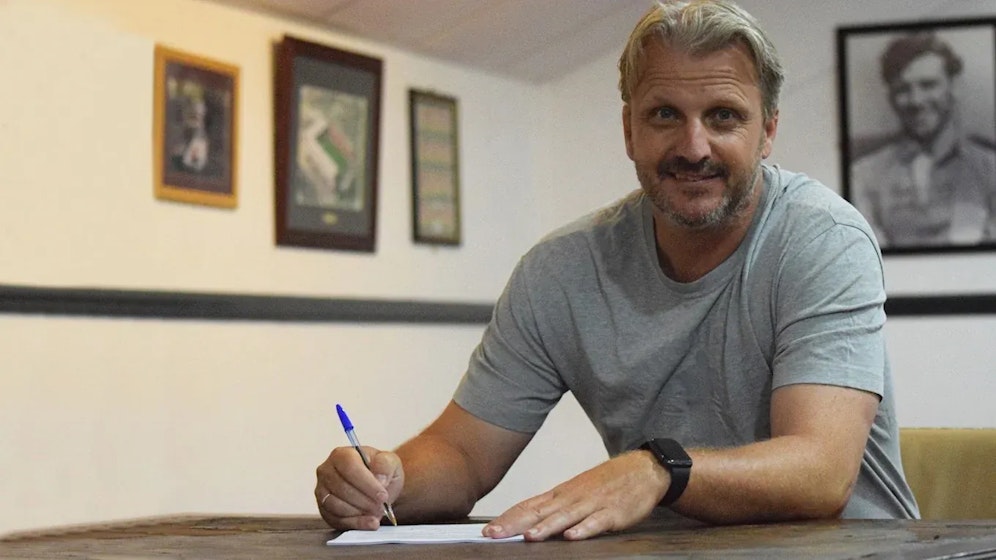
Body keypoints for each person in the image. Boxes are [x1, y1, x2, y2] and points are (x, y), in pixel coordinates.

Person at [316, 0, 920, 541]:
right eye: (665, 115)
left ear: (768, 131)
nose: (694, 147)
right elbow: (463, 454)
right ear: (629, 130)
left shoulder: (822, 239)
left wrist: (658, 470)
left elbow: (821, 472)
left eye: (723, 117)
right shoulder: (560, 271)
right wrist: (387, 482)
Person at [851, 32, 996, 248]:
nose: (916, 101)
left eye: (928, 85)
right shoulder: (864, 175)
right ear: (890, 97)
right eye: (903, 90)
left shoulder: (989, 168)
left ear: (954, 86)